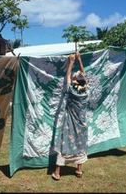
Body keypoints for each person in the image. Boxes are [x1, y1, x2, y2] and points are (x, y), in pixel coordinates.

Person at [52, 51, 89, 181]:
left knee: (65, 145)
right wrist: (79, 60)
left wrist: (71, 62)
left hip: (70, 123)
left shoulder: (71, 91)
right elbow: (83, 77)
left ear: (75, 83)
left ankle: (57, 173)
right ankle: (79, 170)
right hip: (82, 123)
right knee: (80, 145)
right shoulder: (85, 92)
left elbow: (67, 78)